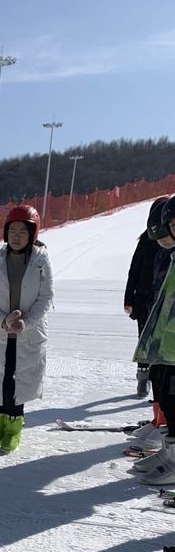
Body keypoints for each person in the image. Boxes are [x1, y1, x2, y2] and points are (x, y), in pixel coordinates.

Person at [0, 204, 54, 452]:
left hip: (26, 334)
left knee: (17, 381)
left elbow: (46, 296)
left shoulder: (41, 261)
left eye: (22, 231)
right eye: (12, 230)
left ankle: (13, 428)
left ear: (33, 233)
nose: (16, 236)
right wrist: (2, 320)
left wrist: (26, 322)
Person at [132, 195, 175, 485]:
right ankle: (168, 452)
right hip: (166, 343)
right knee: (166, 396)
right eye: (171, 224)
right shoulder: (170, 256)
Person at [124, 197, 169, 398]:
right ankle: (143, 379)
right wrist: (128, 297)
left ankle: (160, 384)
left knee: (163, 342)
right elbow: (134, 269)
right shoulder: (146, 240)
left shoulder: (171, 240)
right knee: (145, 339)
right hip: (143, 299)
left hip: (165, 300)